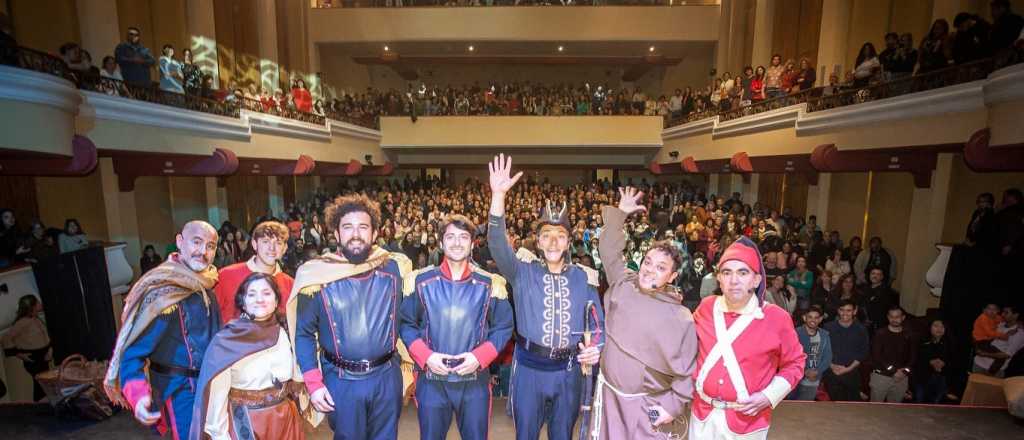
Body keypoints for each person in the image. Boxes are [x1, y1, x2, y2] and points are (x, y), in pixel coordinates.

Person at [486, 154, 603, 440]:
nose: (553, 241)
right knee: (525, 434)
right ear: (537, 242)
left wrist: (596, 346)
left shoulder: (583, 276)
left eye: (560, 235)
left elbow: (598, 323)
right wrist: (498, 196)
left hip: (568, 371)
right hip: (529, 370)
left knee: (563, 434)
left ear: (568, 242)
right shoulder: (520, 272)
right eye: (547, 235)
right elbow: (496, 243)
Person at [290, 194, 412, 440]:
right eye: (347, 227)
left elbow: (410, 318)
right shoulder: (315, 276)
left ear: (375, 233)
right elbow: (303, 333)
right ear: (336, 234)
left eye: (363, 227)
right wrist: (313, 383)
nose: (355, 234)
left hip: (387, 376)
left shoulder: (395, 268)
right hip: (341, 380)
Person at [589, 187, 697, 439]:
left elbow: (688, 371)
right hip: (608, 397)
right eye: (648, 262)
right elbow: (608, 252)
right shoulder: (624, 282)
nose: (649, 270)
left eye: (660, 267)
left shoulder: (681, 318)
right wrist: (621, 215)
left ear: (672, 276)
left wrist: (672, 407)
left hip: (647, 406)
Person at [399, 214, 514, 440]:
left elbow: (503, 326)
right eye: (450, 237)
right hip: (431, 381)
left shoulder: (491, 284)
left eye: (463, 237)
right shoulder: (419, 282)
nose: (457, 242)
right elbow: (406, 324)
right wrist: (427, 356)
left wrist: (479, 357)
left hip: (475, 382)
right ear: (441, 242)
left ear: (472, 244)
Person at [104, 221, 222, 439]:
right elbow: (132, 353)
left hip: (209, 391)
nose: (203, 251)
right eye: (197, 242)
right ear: (180, 242)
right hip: (176, 394)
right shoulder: (161, 293)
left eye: (210, 246)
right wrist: (138, 396)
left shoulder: (208, 287)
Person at [689, 236, 805, 440]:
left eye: (742, 272)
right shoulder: (706, 307)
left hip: (748, 423)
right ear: (719, 278)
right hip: (701, 415)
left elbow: (795, 363)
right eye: (727, 272)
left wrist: (769, 396)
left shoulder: (777, 318)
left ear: (756, 279)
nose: (734, 280)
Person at [189, 273, 312, 440]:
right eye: (252, 294)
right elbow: (216, 399)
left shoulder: (286, 331)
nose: (259, 299)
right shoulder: (226, 341)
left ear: (276, 301)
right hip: (246, 424)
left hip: (285, 419)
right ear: (243, 302)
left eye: (266, 293)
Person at [214, 221, 293, 325]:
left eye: (278, 243)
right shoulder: (226, 276)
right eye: (265, 241)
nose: (272, 248)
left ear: (284, 248)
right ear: (254, 244)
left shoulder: (290, 285)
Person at [1, 295, 51, 401]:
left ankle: (43, 405)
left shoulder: (36, 319)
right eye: (37, 302)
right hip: (34, 358)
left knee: (45, 383)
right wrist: (18, 353)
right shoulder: (22, 323)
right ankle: (39, 406)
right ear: (31, 306)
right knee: (40, 384)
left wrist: (49, 350)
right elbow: (6, 338)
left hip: (43, 355)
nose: (40, 304)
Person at [822, 300, 869, 401]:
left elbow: (863, 352)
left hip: (851, 372)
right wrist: (832, 366)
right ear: (838, 311)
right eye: (842, 310)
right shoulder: (828, 327)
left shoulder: (861, 329)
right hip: (831, 372)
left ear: (854, 311)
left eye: (848, 310)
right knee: (834, 405)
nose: (845, 313)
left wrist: (848, 369)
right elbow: (822, 349)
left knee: (852, 405)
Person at [869, 306, 916, 403]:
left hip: (902, 378)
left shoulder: (909, 334)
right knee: (874, 409)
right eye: (891, 316)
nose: (894, 319)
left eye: (897, 316)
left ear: (903, 317)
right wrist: (894, 371)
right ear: (888, 317)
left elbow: (913, 357)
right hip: (881, 376)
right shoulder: (880, 334)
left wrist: (905, 372)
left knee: (895, 410)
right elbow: (876, 356)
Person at [789, 306, 831, 401]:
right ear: (804, 318)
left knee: (805, 409)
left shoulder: (824, 335)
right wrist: (805, 371)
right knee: (788, 407)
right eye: (810, 317)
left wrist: (817, 371)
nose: (813, 320)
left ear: (820, 319)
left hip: (813, 378)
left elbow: (828, 357)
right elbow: (789, 356)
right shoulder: (795, 333)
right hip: (794, 377)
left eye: (816, 317)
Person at [973, 305, 1024, 376]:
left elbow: (1007, 355)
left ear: (1015, 315)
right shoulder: (1000, 324)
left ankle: (990, 373)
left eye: (1006, 313)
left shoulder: (1019, 334)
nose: (1002, 314)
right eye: (1003, 312)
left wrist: (984, 354)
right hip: (978, 364)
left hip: (995, 371)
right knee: (973, 386)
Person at [914, 319, 951, 403]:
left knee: (936, 405)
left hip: (941, 378)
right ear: (929, 328)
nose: (939, 329)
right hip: (923, 378)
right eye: (936, 326)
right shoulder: (921, 341)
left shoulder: (949, 343)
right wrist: (930, 362)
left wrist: (944, 363)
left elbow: (952, 361)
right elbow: (915, 360)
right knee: (919, 404)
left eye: (942, 326)